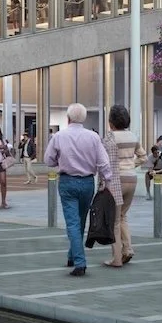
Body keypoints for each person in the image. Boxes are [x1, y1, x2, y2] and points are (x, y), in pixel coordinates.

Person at [45, 102, 116, 276]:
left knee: (72, 223)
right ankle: (72, 256)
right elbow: (103, 162)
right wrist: (107, 181)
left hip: (67, 182)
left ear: (68, 118)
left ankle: (79, 262)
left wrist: (59, 161)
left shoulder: (59, 136)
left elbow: (48, 160)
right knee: (80, 221)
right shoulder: (93, 137)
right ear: (83, 118)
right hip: (87, 183)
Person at [101, 104, 146, 268]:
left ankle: (117, 258)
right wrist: (130, 164)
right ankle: (128, 248)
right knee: (122, 217)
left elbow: (103, 161)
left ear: (111, 122)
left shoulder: (109, 137)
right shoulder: (132, 136)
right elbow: (143, 157)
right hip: (131, 179)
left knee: (114, 221)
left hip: (116, 180)